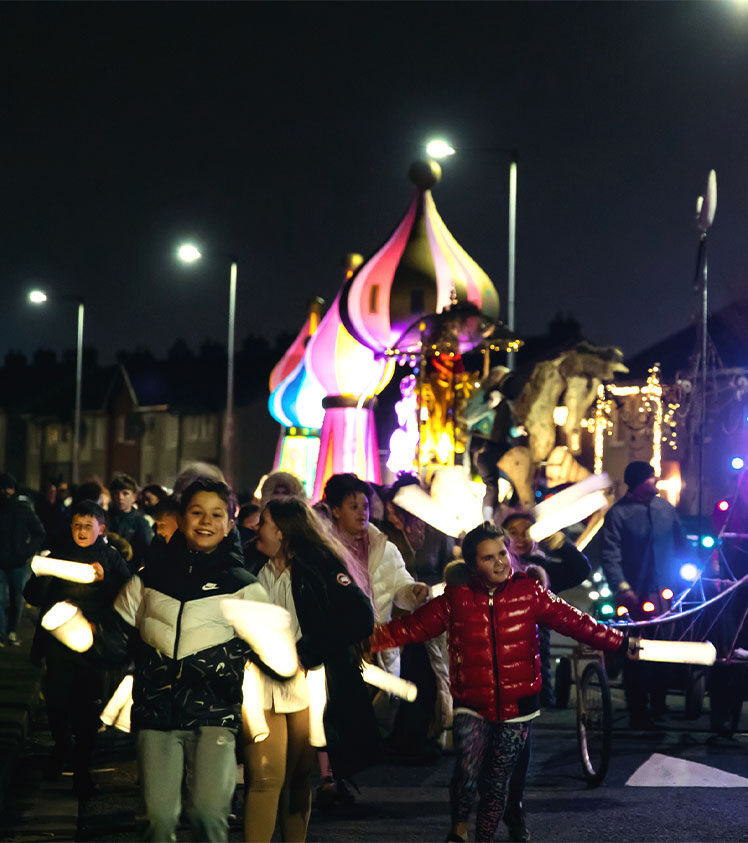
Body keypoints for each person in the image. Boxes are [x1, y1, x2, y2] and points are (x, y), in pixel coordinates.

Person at [369, 522, 626, 843]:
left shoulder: (530, 592)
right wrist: (364, 642)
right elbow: (409, 628)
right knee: (466, 772)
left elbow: (574, 620)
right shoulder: (457, 598)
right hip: (472, 705)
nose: (500, 562)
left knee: (497, 781)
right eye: (488, 558)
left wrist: (619, 641)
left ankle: (485, 837)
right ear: (473, 564)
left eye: (502, 554)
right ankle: (458, 828)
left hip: (518, 708)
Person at [88, 478, 270, 841]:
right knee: (157, 820)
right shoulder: (149, 578)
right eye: (196, 512)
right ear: (182, 517)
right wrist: (83, 636)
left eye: (217, 514)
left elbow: (270, 652)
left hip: (214, 716)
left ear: (229, 525)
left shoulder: (245, 586)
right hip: (156, 714)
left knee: (208, 816)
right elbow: (116, 635)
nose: (206, 521)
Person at [245, 496, 378, 842]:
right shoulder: (248, 563)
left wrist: (310, 649)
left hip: (306, 684)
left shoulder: (319, 565)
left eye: (264, 523)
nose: (258, 529)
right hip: (257, 683)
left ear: (284, 531)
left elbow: (361, 618)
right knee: (265, 775)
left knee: (298, 777)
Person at [23, 500, 130, 797]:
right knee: (57, 704)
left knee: (86, 709)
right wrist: (42, 574)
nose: (81, 531)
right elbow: (32, 595)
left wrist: (106, 579)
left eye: (87, 526)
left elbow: (129, 593)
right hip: (59, 644)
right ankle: (61, 747)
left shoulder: (110, 558)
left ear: (102, 528)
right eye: (76, 525)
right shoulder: (58, 555)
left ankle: (81, 770)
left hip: (93, 645)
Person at [501, 509, 591, 840]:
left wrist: (563, 545)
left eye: (528, 530)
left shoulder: (545, 566)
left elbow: (580, 570)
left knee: (521, 737)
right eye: (513, 530)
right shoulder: (494, 565)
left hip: (530, 659)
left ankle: (514, 807)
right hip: (493, 663)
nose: (521, 536)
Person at [600, 460, 690, 728]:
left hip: (664, 594)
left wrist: (690, 574)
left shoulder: (665, 509)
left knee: (663, 650)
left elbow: (681, 543)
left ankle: (660, 704)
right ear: (637, 483)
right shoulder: (618, 515)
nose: (654, 481)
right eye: (649, 478)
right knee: (635, 652)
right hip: (634, 594)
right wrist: (622, 588)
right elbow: (610, 554)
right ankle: (638, 709)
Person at [0, 472, 46, 646]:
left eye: (8, 488)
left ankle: (11, 631)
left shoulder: (22, 509)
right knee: (2, 599)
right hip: (5, 562)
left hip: (17, 563)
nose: (5, 492)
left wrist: (25, 551)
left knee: (15, 599)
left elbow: (39, 533)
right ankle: (3, 634)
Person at [108, 473, 153, 571]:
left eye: (125, 493)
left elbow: (148, 551)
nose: (120, 497)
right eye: (116, 493)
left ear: (134, 496)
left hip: (131, 571)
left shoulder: (140, 522)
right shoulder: (104, 518)